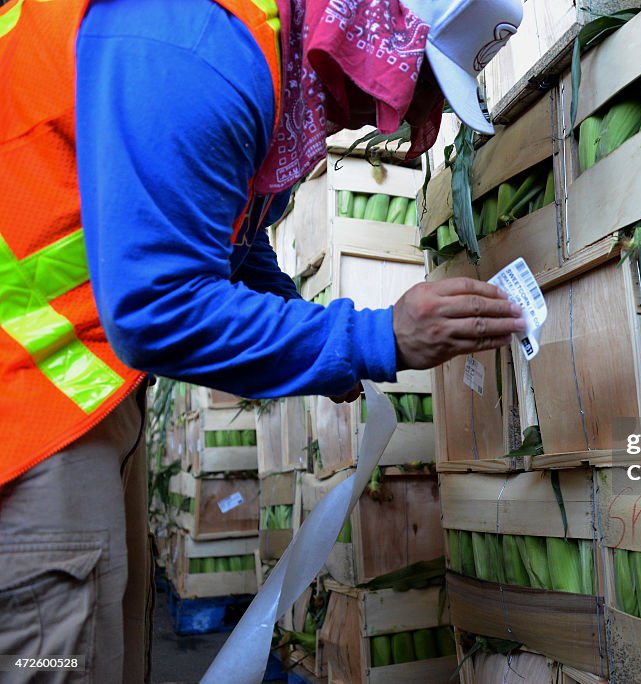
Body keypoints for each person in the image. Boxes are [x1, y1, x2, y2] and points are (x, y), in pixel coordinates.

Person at [0, 0, 523, 681]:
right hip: (26, 411)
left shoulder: (268, 56)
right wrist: (374, 336)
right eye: (411, 81)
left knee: (108, 653)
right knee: (56, 653)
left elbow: (227, 239)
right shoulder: (199, 46)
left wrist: (313, 333)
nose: (390, 115)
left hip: (82, 398)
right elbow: (158, 306)